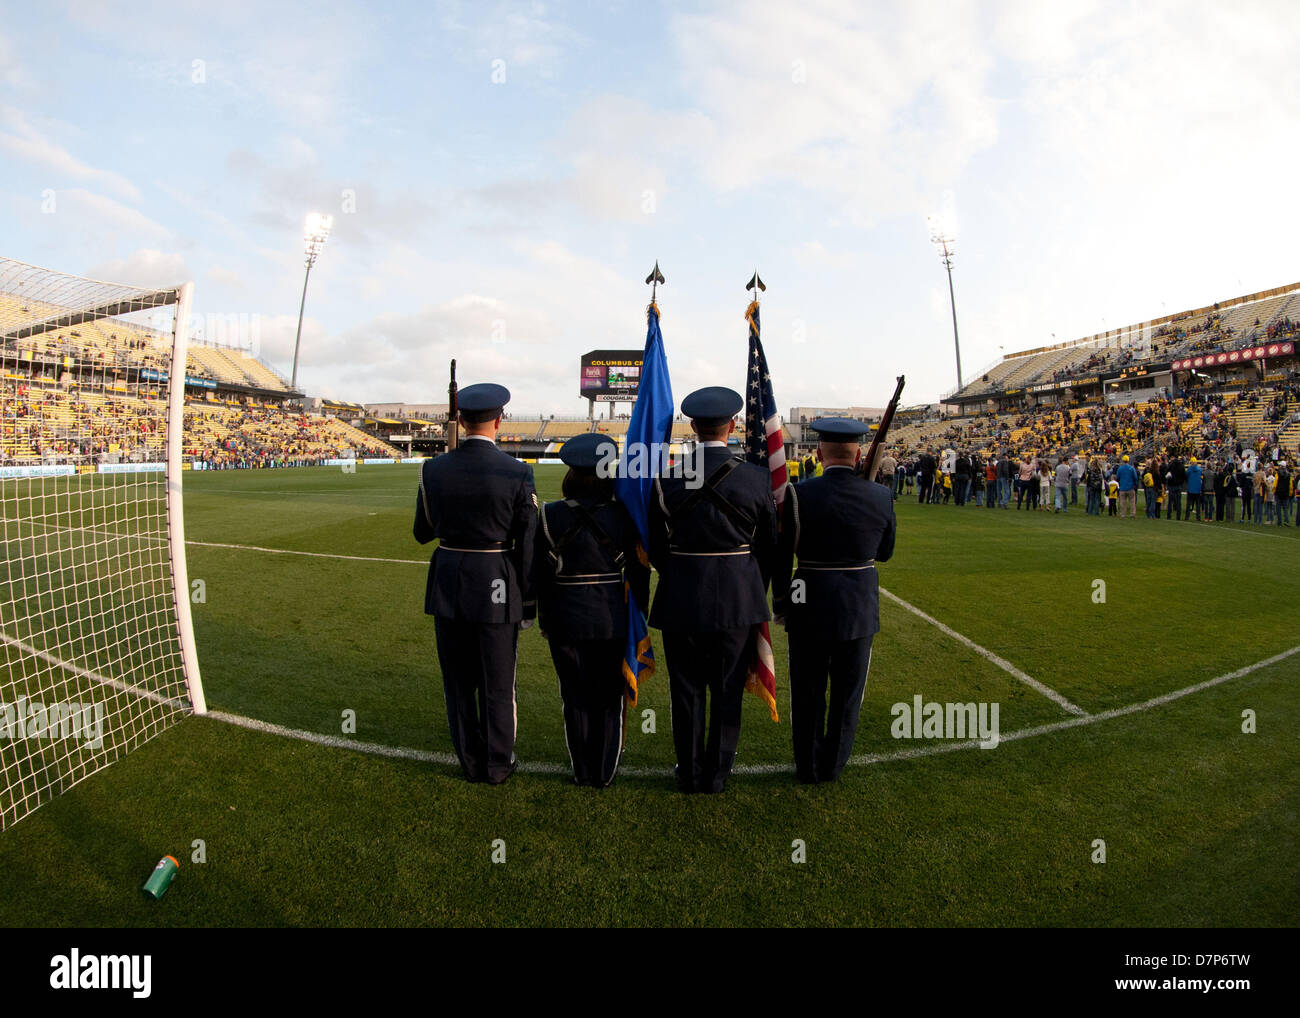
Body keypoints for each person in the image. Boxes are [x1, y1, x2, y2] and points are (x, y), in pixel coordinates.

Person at [647, 386, 778, 794]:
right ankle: (716, 774)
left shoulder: (667, 478)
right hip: (737, 599)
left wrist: (682, 570)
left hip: (681, 595)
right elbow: (770, 546)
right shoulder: (757, 479)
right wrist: (746, 580)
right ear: (734, 425)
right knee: (726, 690)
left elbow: (654, 545)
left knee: (685, 689)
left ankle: (688, 771)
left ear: (692, 427)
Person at [413, 382, 537, 785]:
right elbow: (528, 540)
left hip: (450, 580)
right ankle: (498, 764)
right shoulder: (518, 472)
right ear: (499, 421)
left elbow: (422, 532)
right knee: (498, 682)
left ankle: (470, 760)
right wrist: (525, 597)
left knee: (459, 683)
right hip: (497, 581)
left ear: (461, 420)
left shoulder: (433, 469)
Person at [773, 418, 895, 783]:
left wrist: (782, 602)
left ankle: (808, 766)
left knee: (808, 691)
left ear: (820, 453)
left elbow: (783, 556)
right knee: (847, 695)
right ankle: (833, 765)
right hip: (858, 606)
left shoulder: (799, 493)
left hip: (808, 601)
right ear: (858, 453)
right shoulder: (881, 496)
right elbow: (885, 553)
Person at [533, 433, 649, 787]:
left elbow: (539, 575)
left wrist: (545, 619)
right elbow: (640, 573)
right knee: (608, 698)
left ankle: (582, 770)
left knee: (575, 696)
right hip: (612, 620)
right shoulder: (624, 516)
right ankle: (604, 771)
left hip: (564, 621)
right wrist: (638, 614)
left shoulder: (550, 515)